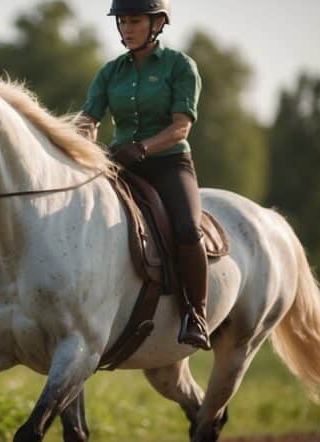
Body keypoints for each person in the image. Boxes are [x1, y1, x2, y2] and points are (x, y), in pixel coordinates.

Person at [75, 0, 210, 350]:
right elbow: (89, 117)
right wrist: (81, 134)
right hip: (119, 163)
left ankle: (196, 312)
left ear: (158, 23)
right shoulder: (109, 72)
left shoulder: (180, 66)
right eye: (122, 22)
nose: (127, 28)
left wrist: (144, 148)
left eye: (135, 20)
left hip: (168, 164)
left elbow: (181, 128)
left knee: (186, 228)